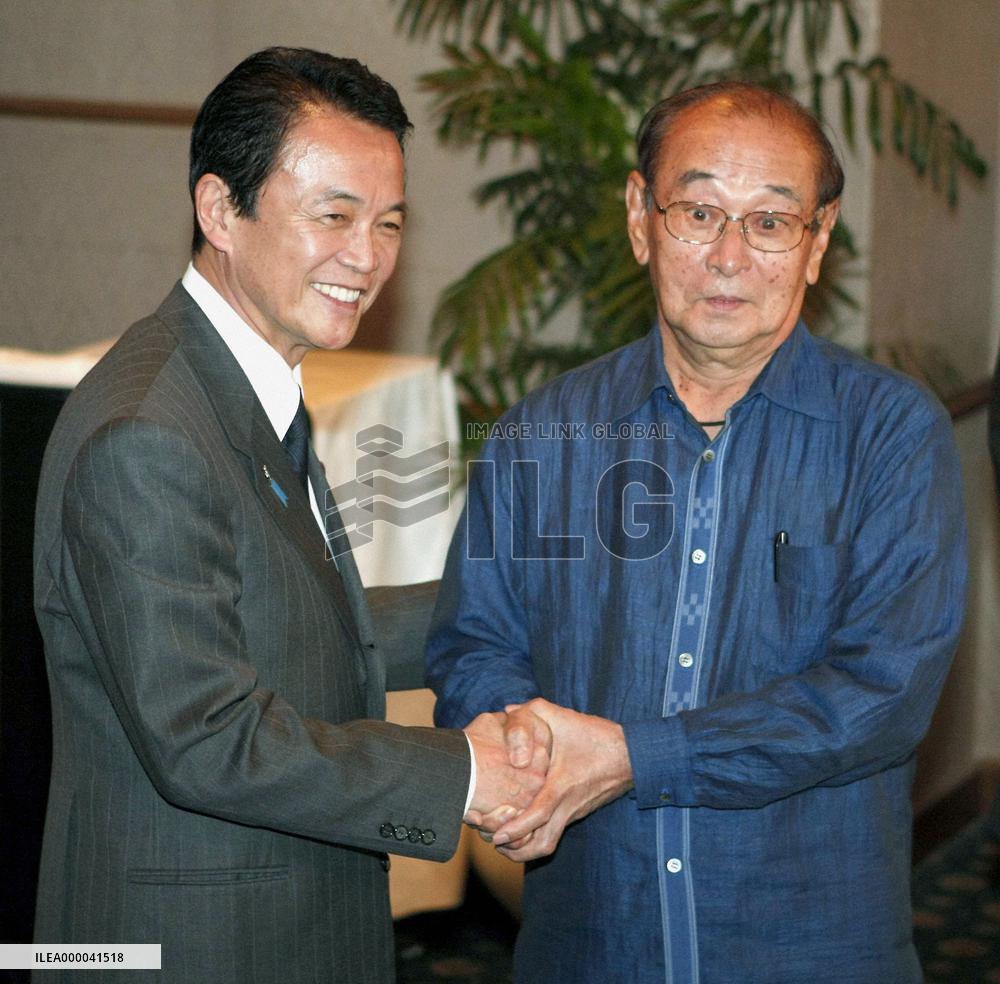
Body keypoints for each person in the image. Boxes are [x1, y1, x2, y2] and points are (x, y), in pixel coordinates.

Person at [427, 81, 968, 983]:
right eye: (699, 211)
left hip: (808, 949)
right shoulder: (543, 432)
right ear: (641, 217)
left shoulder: (892, 436)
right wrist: (521, 746)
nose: (728, 256)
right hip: (592, 943)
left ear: (818, 241)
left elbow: (882, 692)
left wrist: (637, 758)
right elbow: (475, 643)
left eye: (769, 223)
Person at [32, 47, 546, 984]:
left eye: (389, 222)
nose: (368, 255)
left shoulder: (247, 382)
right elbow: (209, 739)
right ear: (220, 209)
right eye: (334, 216)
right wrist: (464, 774)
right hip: (189, 948)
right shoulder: (149, 432)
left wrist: (514, 606)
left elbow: (302, 632)